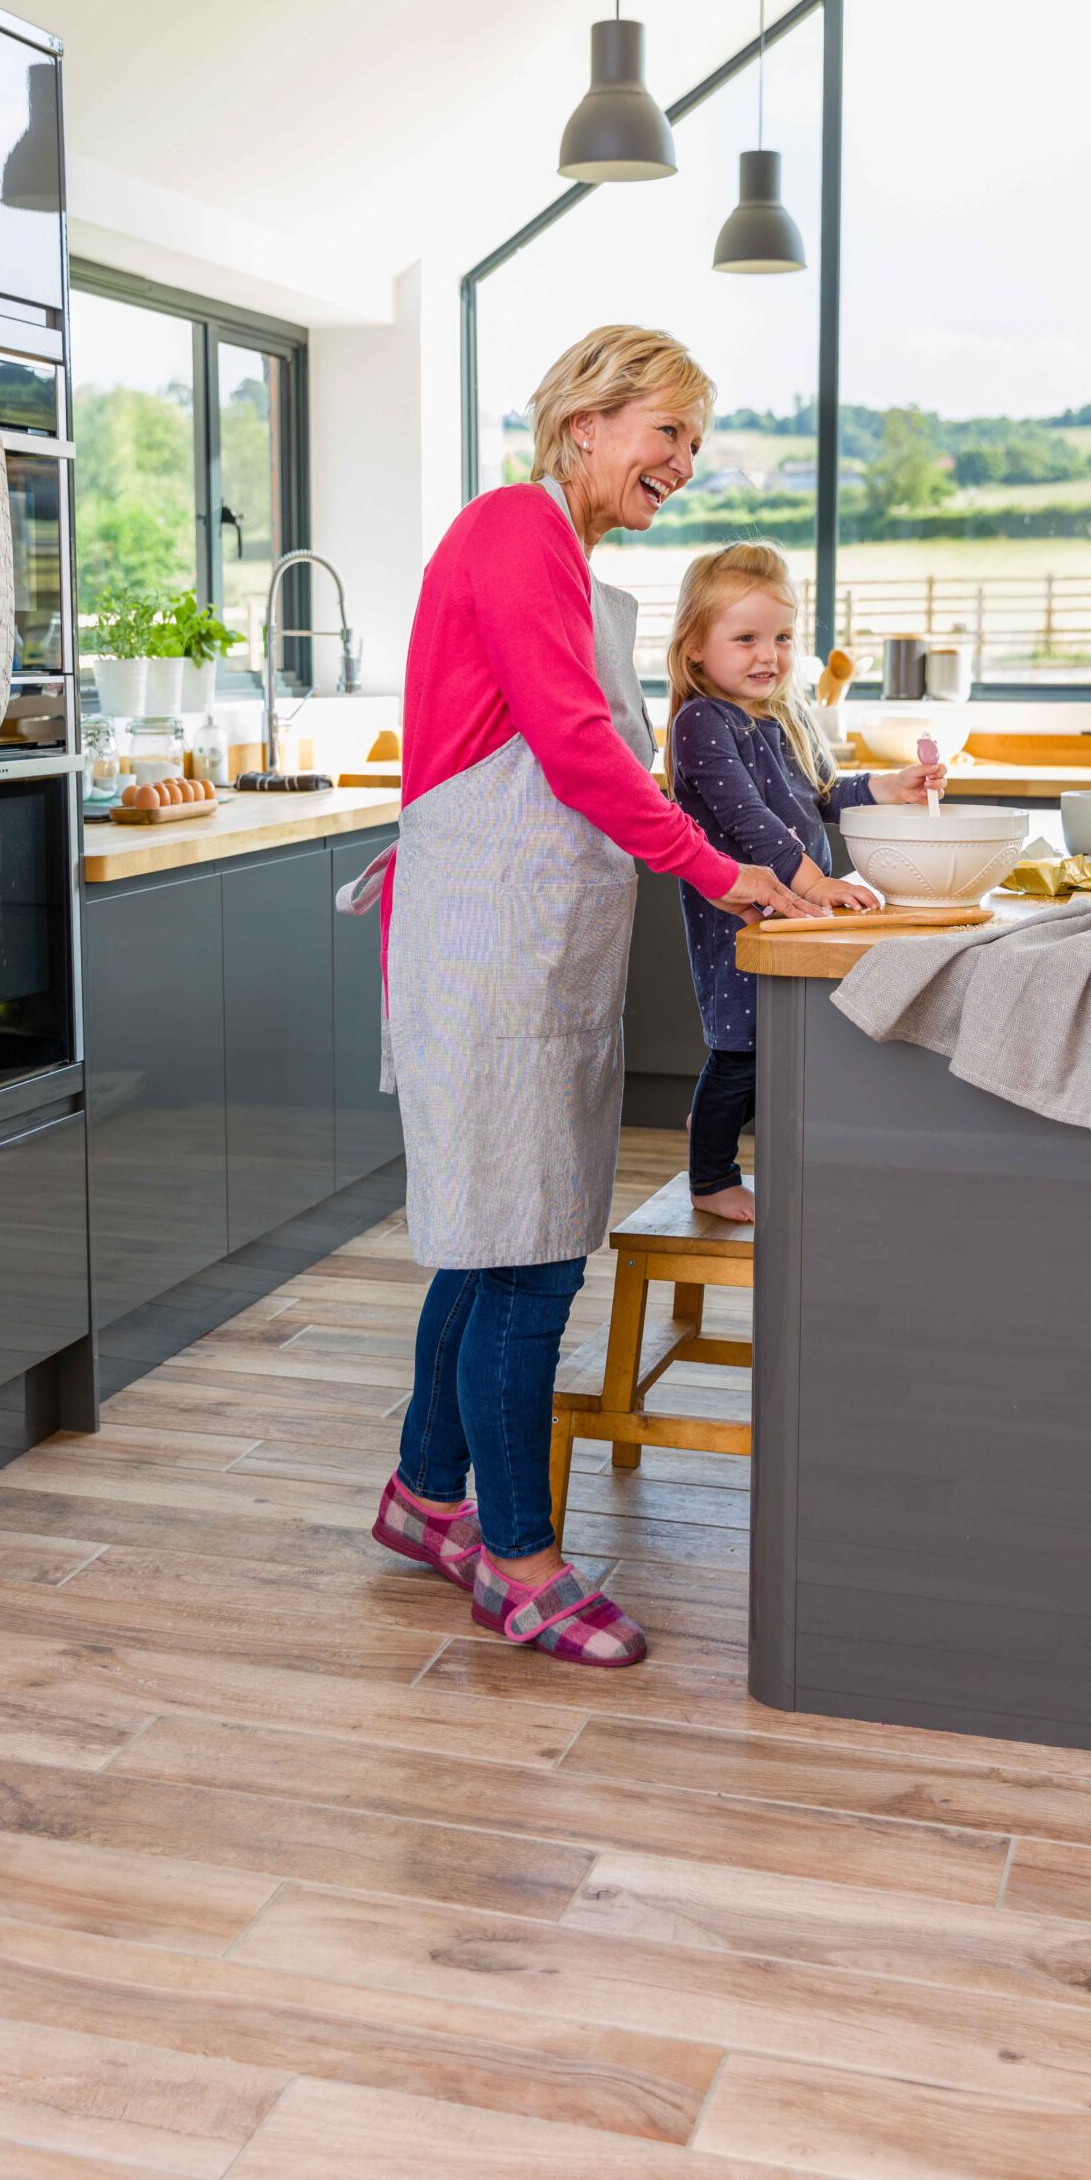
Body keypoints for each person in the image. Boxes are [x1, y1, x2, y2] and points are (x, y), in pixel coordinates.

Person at [360, 328, 825, 1668]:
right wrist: (721, 870)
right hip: (490, 954)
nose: (682, 460)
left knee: (486, 1236)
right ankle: (518, 1563)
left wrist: (748, 861)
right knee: (527, 1260)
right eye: (664, 431)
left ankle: (420, 1499)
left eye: (691, 438)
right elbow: (570, 749)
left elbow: (576, 757)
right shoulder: (514, 531)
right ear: (583, 421)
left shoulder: (563, 562)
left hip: (529, 955)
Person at [666, 542, 946, 1220]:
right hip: (743, 916)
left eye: (782, 638)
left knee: (788, 1046)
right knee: (740, 1049)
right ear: (696, 647)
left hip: (797, 909)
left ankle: (787, 1163)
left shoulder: (786, 715)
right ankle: (710, 1177)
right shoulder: (701, 721)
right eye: (746, 639)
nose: (768, 655)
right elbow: (748, 818)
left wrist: (888, 786)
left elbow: (823, 793)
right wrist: (815, 882)